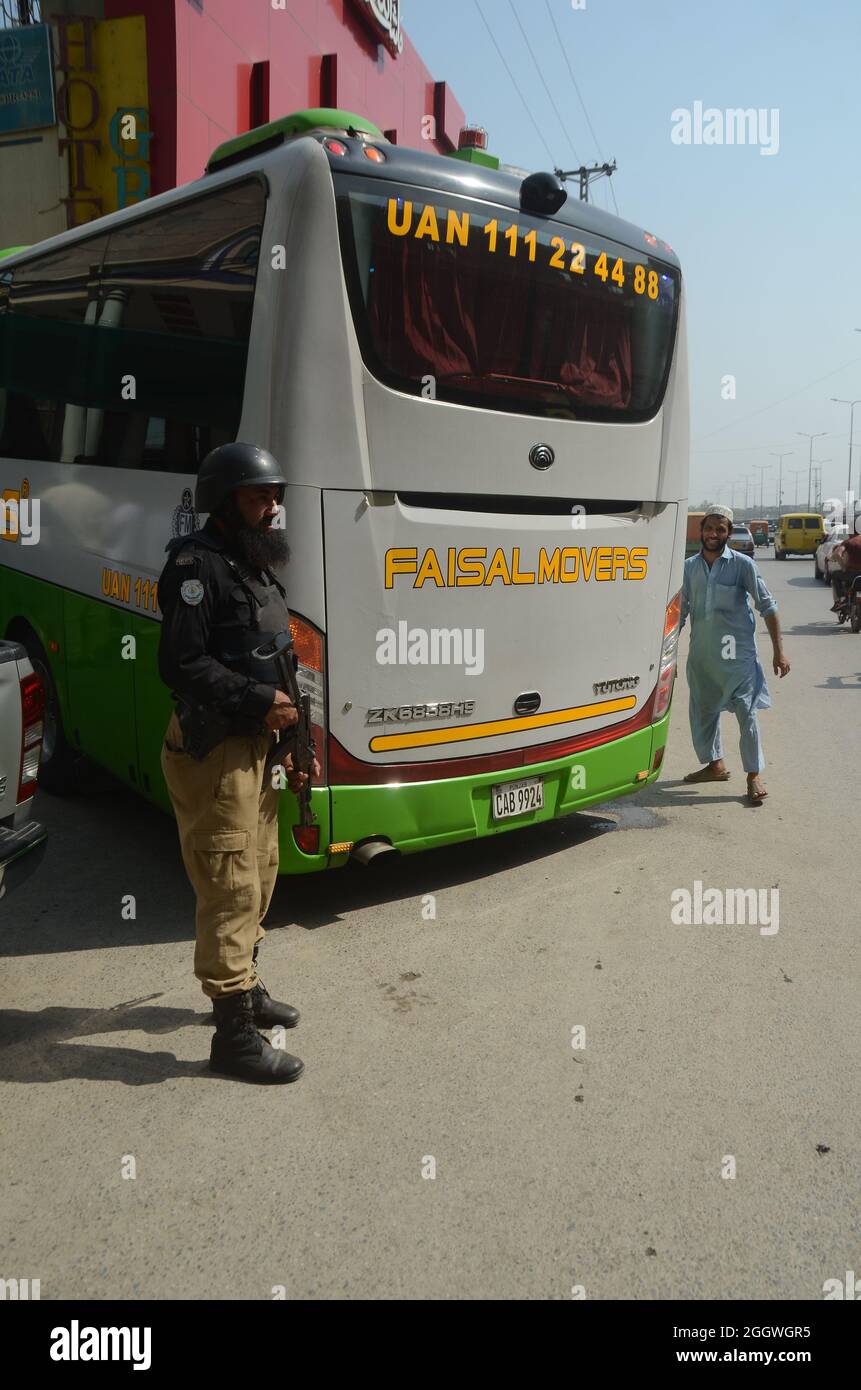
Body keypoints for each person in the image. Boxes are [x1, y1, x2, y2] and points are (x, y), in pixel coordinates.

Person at [157, 443, 317, 1083]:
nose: (272, 506)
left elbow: (271, 655)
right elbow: (181, 664)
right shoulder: (197, 567)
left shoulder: (251, 564)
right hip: (216, 748)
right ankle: (233, 1039)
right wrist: (258, 702)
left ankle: (245, 989)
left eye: (276, 495)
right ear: (226, 501)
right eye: (259, 496)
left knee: (262, 868)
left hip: (256, 746)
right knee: (230, 885)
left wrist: (290, 745)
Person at [680, 506, 790, 806]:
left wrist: (779, 652)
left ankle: (754, 775)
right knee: (702, 713)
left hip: (738, 656)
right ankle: (715, 764)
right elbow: (680, 611)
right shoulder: (689, 567)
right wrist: (667, 654)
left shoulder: (743, 565)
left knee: (747, 714)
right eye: (709, 529)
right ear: (701, 531)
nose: (713, 534)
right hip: (702, 656)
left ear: (728, 533)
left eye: (721, 529)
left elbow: (767, 606)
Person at [829, 529, 861, 612]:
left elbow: (837, 554)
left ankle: (840, 599)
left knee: (834, 574)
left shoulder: (848, 542)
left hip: (852, 574)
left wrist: (843, 567)